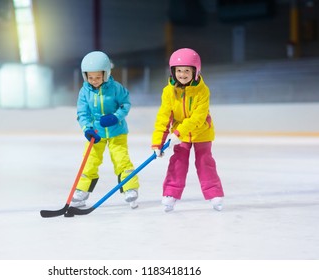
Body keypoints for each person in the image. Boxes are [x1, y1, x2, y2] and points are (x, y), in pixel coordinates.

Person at [151, 48, 224, 212]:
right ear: (172, 71)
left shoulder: (203, 91)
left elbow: (198, 117)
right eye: (178, 70)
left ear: (195, 72)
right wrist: (157, 143)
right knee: (178, 162)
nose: (182, 74)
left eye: (186, 71)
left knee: (205, 162)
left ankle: (214, 194)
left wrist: (178, 133)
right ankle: (170, 193)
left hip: (201, 132)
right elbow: (163, 117)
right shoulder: (168, 92)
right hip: (180, 135)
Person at [72, 50, 139, 209]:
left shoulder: (116, 88)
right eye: (90, 77)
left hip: (117, 131)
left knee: (121, 160)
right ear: (85, 76)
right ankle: (82, 191)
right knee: (89, 161)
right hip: (96, 133)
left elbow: (125, 104)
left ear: (106, 73)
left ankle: (130, 189)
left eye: (98, 77)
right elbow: (82, 113)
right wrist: (86, 128)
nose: (94, 81)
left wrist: (116, 116)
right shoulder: (84, 92)